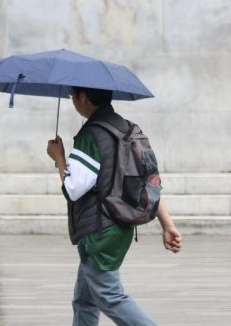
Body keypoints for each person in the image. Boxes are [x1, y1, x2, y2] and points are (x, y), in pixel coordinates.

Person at [46, 86, 182, 326]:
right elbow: (149, 181)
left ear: (85, 98)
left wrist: (59, 158)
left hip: (99, 230)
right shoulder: (128, 129)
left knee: (110, 296)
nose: (73, 101)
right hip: (118, 226)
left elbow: (73, 189)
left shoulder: (91, 134)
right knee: (84, 301)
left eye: (73, 96)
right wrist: (167, 223)